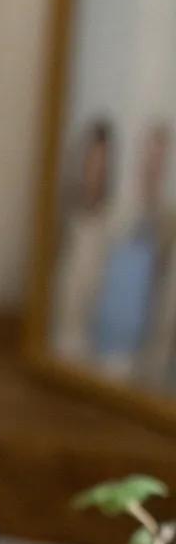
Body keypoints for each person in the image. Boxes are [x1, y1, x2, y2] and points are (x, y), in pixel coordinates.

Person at [91, 120, 174, 378]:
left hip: (142, 356)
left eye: (160, 161)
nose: (153, 167)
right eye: (150, 157)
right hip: (100, 347)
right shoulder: (113, 214)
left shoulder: (168, 223)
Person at [53, 118, 113, 361]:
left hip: (88, 346)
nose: (95, 171)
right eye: (91, 160)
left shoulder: (111, 225)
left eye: (102, 163)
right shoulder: (64, 215)